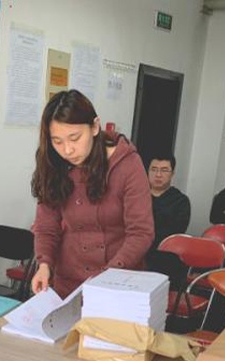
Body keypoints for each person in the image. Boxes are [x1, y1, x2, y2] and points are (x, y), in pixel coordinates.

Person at [30, 90, 153, 297]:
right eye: (57, 141)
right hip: (68, 283)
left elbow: (141, 233)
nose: (67, 150)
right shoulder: (54, 164)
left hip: (118, 283)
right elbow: (46, 226)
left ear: (95, 127)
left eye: (75, 138)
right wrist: (44, 264)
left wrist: (108, 277)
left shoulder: (127, 164)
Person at [146, 154, 190, 250]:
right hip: (133, 250)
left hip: (163, 252)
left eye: (164, 170)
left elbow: (172, 236)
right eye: (154, 169)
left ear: (172, 173)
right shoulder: (136, 196)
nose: (158, 175)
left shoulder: (181, 201)